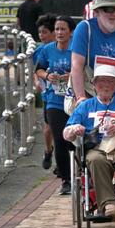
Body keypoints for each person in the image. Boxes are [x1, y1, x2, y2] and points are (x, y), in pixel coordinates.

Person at [63, 64, 115, 218]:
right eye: (102, 81)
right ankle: (108, 203)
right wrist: (75, 129)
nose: (106, 85)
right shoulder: (85, 106)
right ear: (94, 84)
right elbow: (67, 132)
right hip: (97, 147)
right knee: (94, 159)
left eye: (110, 81)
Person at [34, 15, 77, 195]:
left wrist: (73, 75)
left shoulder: (77, 50)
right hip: (54, 100)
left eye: (63, 29)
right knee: (59, 139)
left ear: (71, 32)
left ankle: (81, 172)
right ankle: (66, 180)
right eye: (57, 29)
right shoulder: (47, 50)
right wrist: (47, 76)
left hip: (75, 100)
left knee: (75, 141)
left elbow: (86, 69)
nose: (59, 33)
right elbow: (39, 69)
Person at [33, 14, 58, 171]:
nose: (42, 36)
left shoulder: (62, 47)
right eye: (40, 32)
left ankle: (60, 162)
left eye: (45, 32)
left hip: (61, 93)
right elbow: (37, 69)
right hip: (46, 92)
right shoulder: (39, 50)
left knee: (60, 127)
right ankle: (48, 150)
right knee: (49, 128)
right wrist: (37, 81)